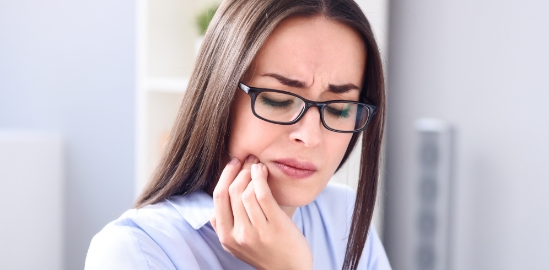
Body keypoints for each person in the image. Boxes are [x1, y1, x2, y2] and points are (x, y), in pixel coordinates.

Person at [85, 0, 389, 269]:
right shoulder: (135, 251)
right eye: (278, 100)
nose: (310, 136)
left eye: (338, 109)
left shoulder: (342, 216)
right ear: (220, 98)